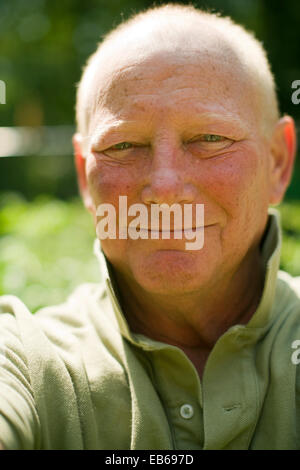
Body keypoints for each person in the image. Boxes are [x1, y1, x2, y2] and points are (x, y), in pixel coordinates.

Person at [0, 3, 299, 450]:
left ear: (278, 161)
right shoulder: (28, 360)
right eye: (124, 145)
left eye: (209, 138)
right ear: (85, 175)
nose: (163, 187)